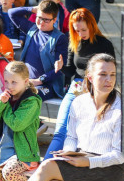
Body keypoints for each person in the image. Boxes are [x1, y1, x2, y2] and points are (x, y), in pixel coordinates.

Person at [46, 8, 115, 156]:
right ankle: (47, 163)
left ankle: (68, 161)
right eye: (76, 30)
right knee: (61, 129)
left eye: (83, 30)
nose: (80, 34)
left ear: (91, 25)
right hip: (76, 87)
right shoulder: (75, 42)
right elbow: (70, 71)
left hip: (96, 89)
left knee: (80, 134)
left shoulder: (104, 44)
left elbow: (110, 73)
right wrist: (61, 67)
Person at [9, 0, 69, 100]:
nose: (41, 22)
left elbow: (60, 70)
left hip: (48, 85)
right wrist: (32, 9)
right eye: (39, 17)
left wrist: (39, 80)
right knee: (8, 93)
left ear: (54, 20)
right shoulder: (32, 29)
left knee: (28, 97)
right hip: (26, 80)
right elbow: (12, 13)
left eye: (46, 20)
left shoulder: (60, 38)